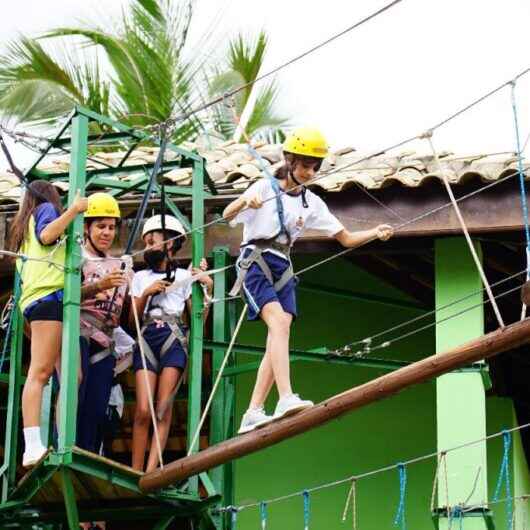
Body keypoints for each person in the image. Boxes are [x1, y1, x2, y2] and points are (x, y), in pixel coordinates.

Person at [223, 127, 394, 434]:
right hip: (256, 261)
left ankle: (253, 411)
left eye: (315, 166)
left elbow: (345, 238)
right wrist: (243, 204)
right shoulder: (264, 186)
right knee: (279, 325)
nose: (310, 171)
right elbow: (226, 214)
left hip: (283, 265)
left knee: (277, 335)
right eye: (305, 164)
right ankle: (286, 397)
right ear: (289, 160)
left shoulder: (311, 203)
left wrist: (375, 233)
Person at [9, 180, 87, 467]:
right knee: (40, 372)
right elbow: (47, 235)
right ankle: (32, 446)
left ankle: (62, 439)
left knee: (72, 375)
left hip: (44, 300)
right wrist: (74, 210)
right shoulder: (46, 209)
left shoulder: (21, 229)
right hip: (46, 299)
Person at [131, 215, 213, 472]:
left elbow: (199, 318)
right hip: (146, 336)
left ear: (170, 243)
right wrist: (147, 293)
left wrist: (207, 289)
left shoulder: (183, 275)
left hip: (173, 337)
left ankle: (151, 471)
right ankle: (134, 470)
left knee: (162, 410)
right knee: (143, 410)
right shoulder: (140, 277)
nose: (147, 245)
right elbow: (131, 317)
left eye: (152, 240)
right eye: (146, 241)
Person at [77, 192, 132, 455]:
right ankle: (67, 448)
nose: (107, 233)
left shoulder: (122, 265)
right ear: (87, 228)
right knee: (75, 396)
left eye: (111, 227)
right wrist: (98, 285)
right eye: (100, 226)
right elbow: (63, 297)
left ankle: (88, 453)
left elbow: (131, 309)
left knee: (97, 407)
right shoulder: (75, 259)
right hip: (78, 335)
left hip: (106, 341)